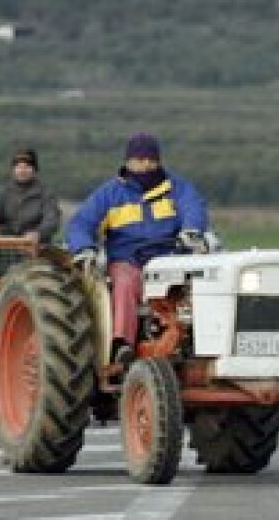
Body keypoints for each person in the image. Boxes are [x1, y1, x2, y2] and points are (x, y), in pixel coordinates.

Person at [66, 133, 208, 366]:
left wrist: (191, 230)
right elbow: (81, 223)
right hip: (129, 259)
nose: (146, 165)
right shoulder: (109, 194)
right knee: (124, 282)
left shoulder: (176, 188)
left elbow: (193, 207)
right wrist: (83, 248)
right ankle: (123, 344)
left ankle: (196, 345)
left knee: (199, 286)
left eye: (151, 160)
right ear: (128, 161)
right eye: (140, 159)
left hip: (171, 258)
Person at [0, 148, 61, 244]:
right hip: (6, 246)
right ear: (13, 169)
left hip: (37, 247)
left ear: (35, 169)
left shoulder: (46, 194)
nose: (22, 170)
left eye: (27, 167)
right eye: (18, 166)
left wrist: (38, 233)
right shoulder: (1, 193)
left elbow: (52, 220)